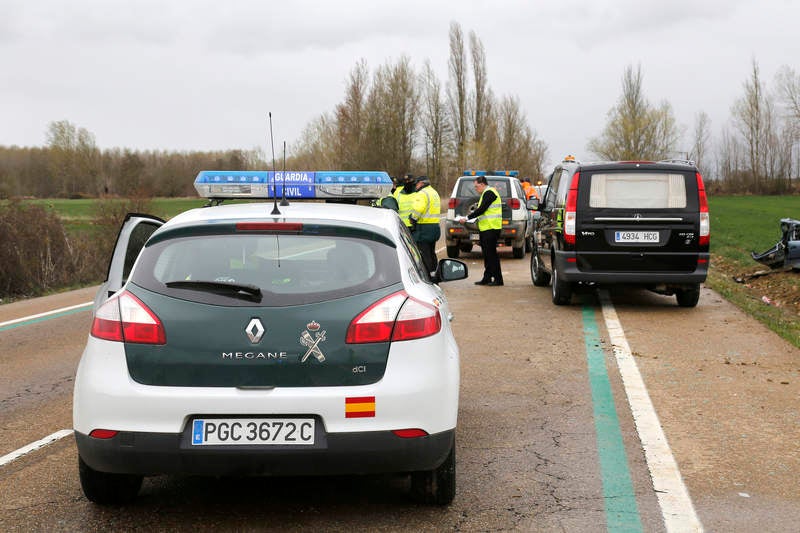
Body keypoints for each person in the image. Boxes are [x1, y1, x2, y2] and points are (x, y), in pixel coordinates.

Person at [458, 176, 503, 286]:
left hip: (491, 228)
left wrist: (467, 218)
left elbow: (482, 209)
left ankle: (498, 279)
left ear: (482, 184)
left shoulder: (490, 193)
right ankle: (487, 278)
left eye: (477, 186)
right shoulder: (485, 193)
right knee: (487, 255)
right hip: (486, 228)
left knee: (491, 255)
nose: (476, 189)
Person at [408, 175, 441, 275]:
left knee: (424, 254)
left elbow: (418, 209)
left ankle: (427, 276)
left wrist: (412, 218)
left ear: (421, 183)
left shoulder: (422, 193)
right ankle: (435, 274)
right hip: (434, 226)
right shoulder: (434, 192)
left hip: (424, 228)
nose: (415, 187)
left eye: (416, 184)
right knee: (431, 253)